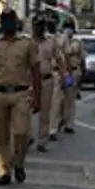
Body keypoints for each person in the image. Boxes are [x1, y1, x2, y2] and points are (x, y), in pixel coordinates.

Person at [0, 9, 41, 185]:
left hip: (21, 93)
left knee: (22, 132)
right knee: (1, 136)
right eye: (4, 20)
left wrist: (37, 96)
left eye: (10, 20)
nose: (7, 24)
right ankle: (4, 171)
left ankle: (18, 162)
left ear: (16, 22)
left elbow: (36, 71)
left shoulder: (27, 43)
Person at [33, 15, 68, 152]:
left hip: (46, 79)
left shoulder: (51, 41)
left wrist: (64, 75)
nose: (39, 28)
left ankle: (42, 140)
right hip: (29, 81)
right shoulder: (27, 41)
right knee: (25, 110)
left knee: (45, 111)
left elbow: (60, 59)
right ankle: (27, 136)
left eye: (42, 25)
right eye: (37, 25)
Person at [57, 21, 86, 134]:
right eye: (66, 28)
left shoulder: (77, 42)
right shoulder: (58, 40)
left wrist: (83, 75)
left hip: (72, 73)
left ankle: (69, 124)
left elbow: (82, 59)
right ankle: (59, 119)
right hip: (60, 72)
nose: (67, 30)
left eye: (69, 28)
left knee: (70, 98)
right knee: (59, 99)